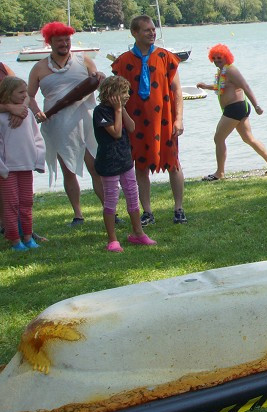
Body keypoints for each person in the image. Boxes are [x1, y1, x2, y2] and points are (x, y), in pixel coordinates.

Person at [26, 21, 105, 226]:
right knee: (68, 169)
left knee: (95, 166)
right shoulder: (39, 68)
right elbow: (29, 96)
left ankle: (110, 210)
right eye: (59, 40)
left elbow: (97, 86)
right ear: (49, 42)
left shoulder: (84, 61)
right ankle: (78, 214)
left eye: (67, 39)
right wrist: (37, 112)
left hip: (86, 120)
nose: (64, 43)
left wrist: (102, 80)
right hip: (57, 123)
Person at [111, 15, 186, 225]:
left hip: (164, 120)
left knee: (173, 163)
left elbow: (177, 90)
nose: (152, 33)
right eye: (147, 30)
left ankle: (179, 208)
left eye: (153, 29)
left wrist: (178, 119)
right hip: (136, 122)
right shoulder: (124, 61)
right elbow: (117, 95)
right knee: (140, 166)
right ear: (135, 33)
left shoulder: (166, 57)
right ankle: (147, 211)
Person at [196, 44, 267, 180]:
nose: (217, 60)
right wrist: (206, 86)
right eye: (215, 58)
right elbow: (222, 87)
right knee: (248, 138)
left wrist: (257, 105)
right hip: (236, 108)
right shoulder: (223, 71)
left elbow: (245, 86)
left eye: (220, 57)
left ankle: (220, 173)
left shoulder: (231, 70)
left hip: (235, 108)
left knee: (218, 138)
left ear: (227, 57)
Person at [92, 75, 155, 252]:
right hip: (109, 163)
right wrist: (118, 110)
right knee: (111, 199)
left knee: (132, 196)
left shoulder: (120, 109)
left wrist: (122, 109)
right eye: (124, 92)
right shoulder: (101, 112)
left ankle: (138, 233)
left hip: (125, 160)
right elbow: (116, 133)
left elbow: (132, 127)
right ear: (112, 94)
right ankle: (112, 239)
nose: (128, 95)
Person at [0, 76, 45, 251]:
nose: (25, 95)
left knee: (26, 202)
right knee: (11, 204)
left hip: (26, 167)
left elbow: (37, 138)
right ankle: (14, 240)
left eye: (25, 92)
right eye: (20, 92)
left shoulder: (27, 115)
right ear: (7, 94)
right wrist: (2, 169)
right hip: (7, 170)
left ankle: (28, 237)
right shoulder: (2, 118)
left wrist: (38, 161)